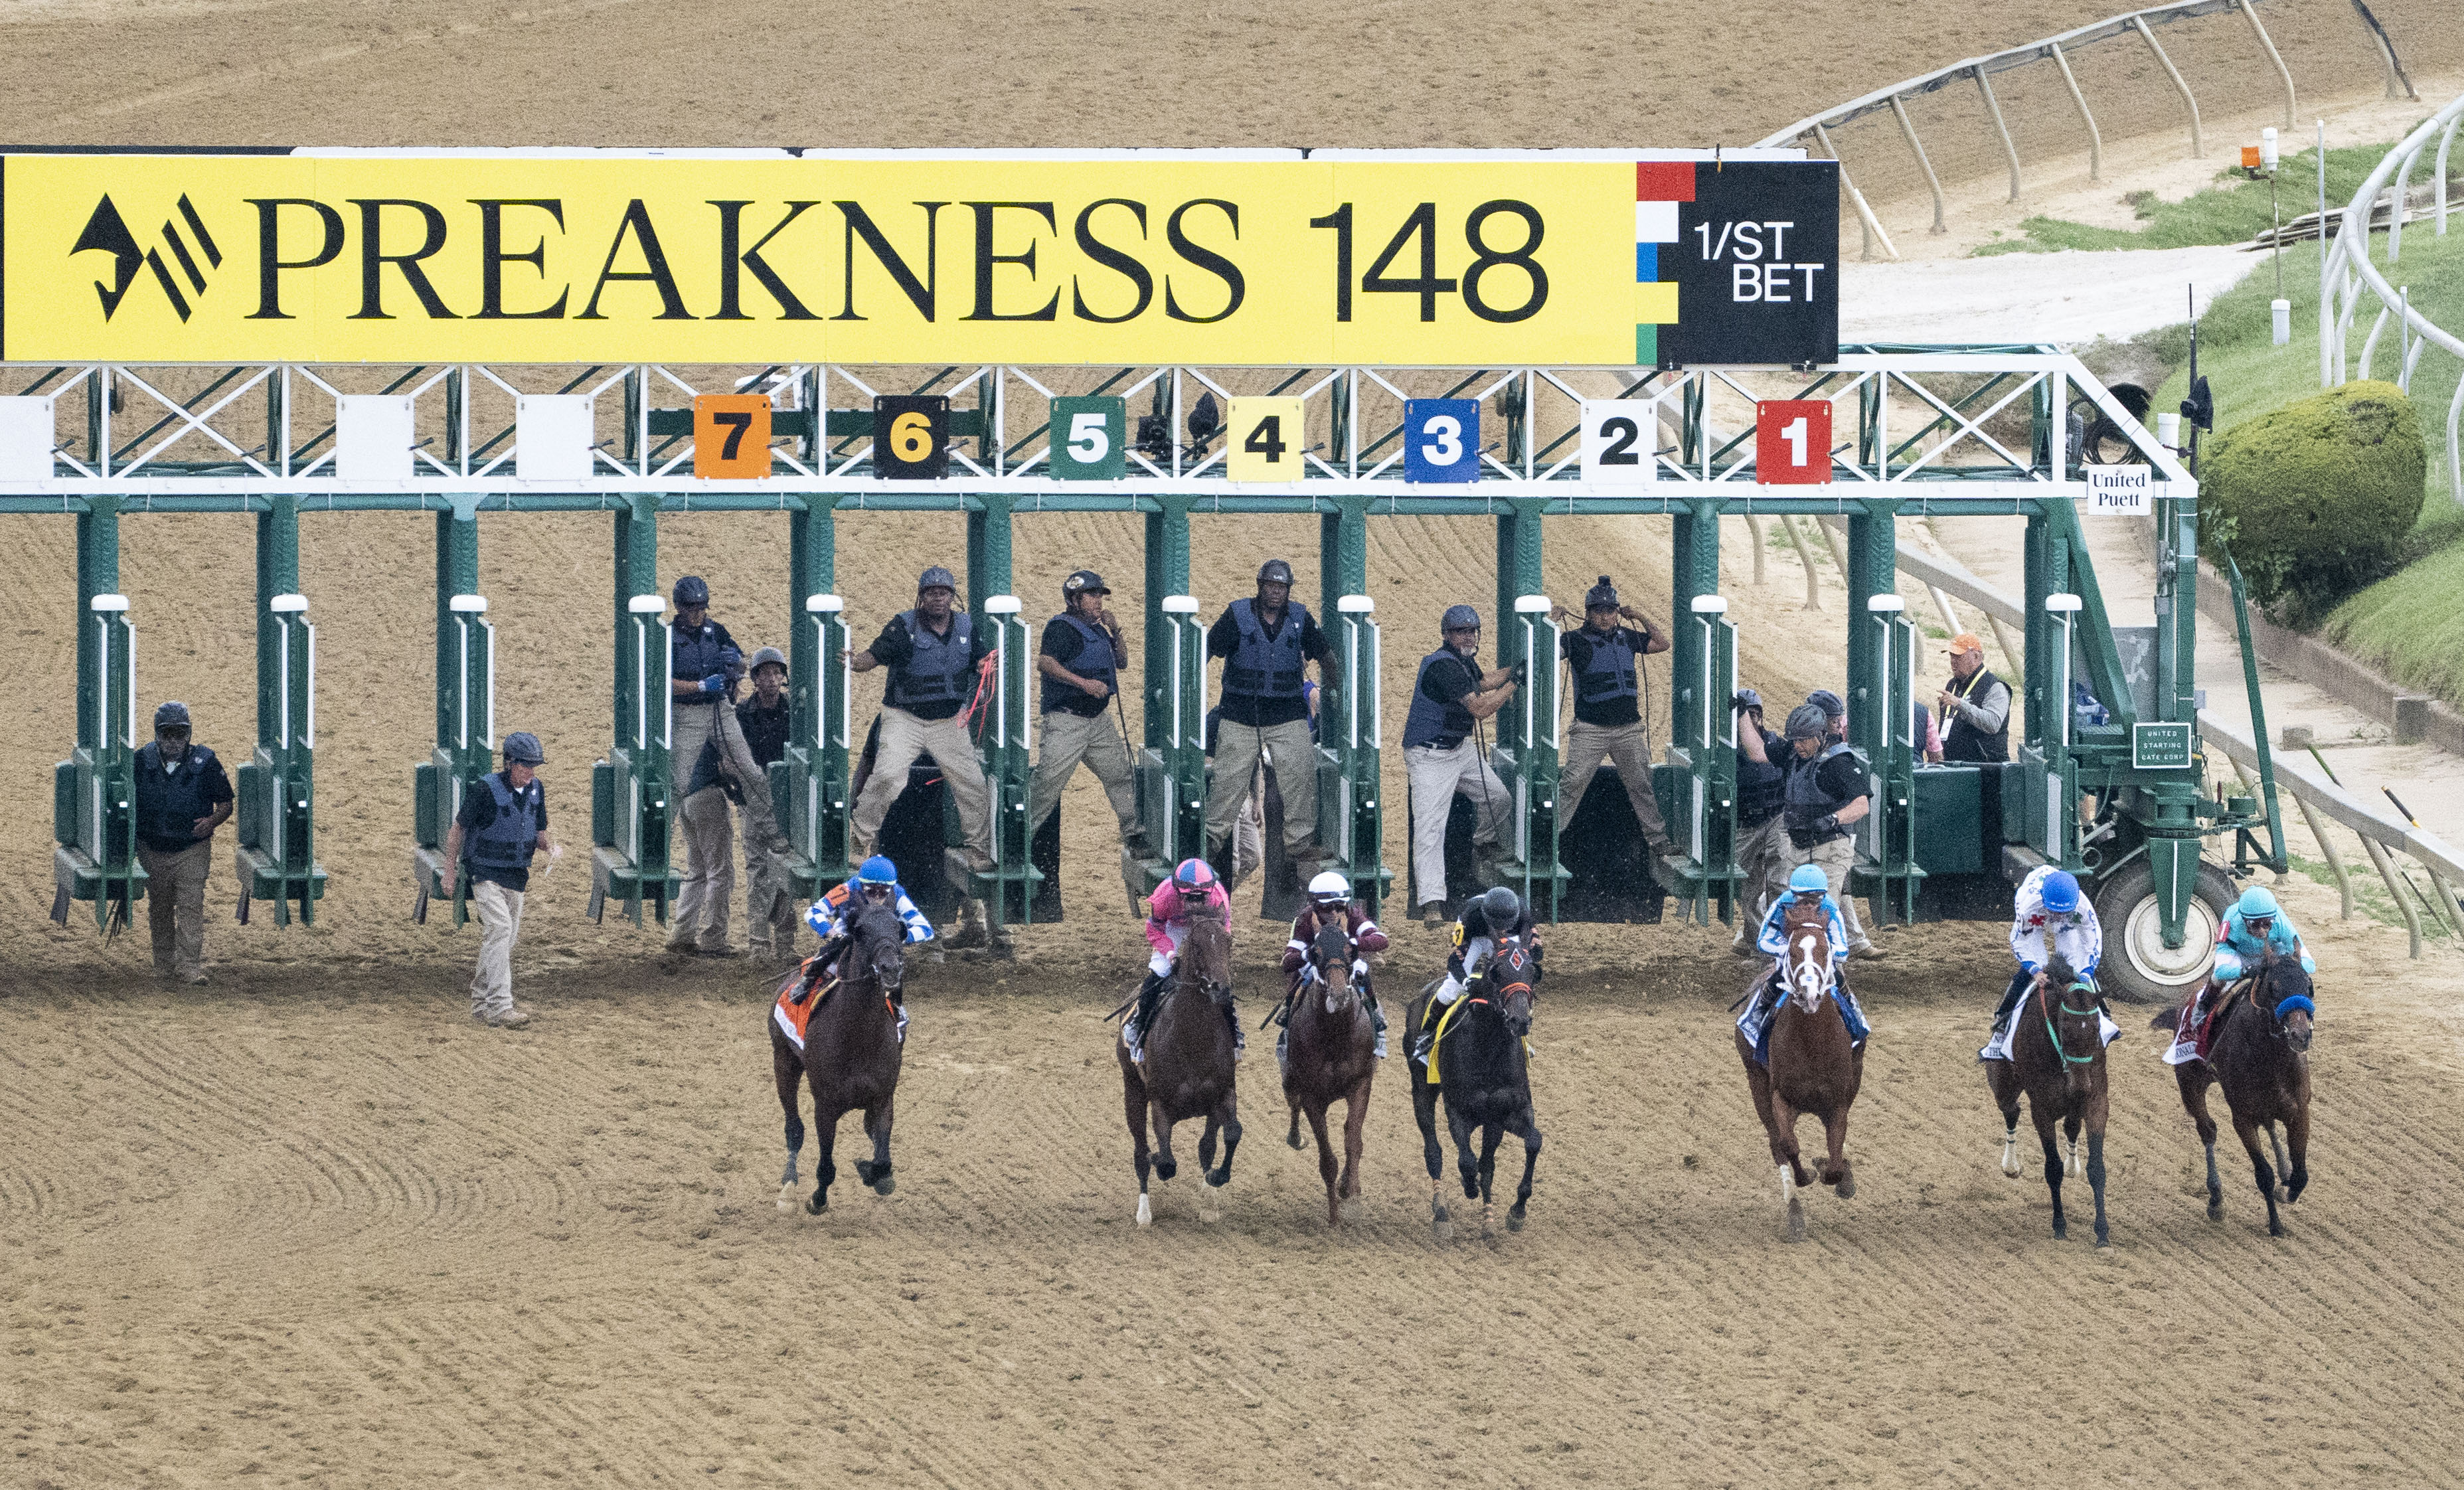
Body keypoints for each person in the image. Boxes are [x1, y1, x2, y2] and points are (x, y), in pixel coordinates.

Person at [849, 566, 998, 945]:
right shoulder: (903, 627)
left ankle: (980, 851)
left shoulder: (967, 627)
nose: (938, 598)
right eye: (931, 592)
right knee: (888, 776)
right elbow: (873, 656)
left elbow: (984, 660)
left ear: (952, 596)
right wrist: (854, 660)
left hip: (949, 721)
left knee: (972, 785)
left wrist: (984, 666)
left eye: (944, 592)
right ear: (921, 596)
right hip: (904, 717)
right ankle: (857, 840)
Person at [1203, 559, 1334, 882]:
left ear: (1288, 590)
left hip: (1287, 713)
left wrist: (1337, 692)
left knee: (1300, 775)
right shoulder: (1236, 615)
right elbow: (1205, 651)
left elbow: (1327, 655)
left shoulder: (1301, 618)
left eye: (1281, 587)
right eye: (1270, 585)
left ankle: (1301, 846)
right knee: (1227, 783)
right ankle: (1209, 842)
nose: (1275, 592)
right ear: (1260, 586)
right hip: (1239, 712)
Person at [1402, 604, 1518, 927]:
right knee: (1429, 830)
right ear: (1446, 635)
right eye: (1460, 631)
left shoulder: (1461, 660)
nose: (1467, 636)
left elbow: (1484, 681)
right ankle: (1432, 902)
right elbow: (1481, 708)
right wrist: (1514, 685)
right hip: (1429, 756)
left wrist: (1513, 670)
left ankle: (1482, 845)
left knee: (1498, 796)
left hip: (1458, 748)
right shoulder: (1444, 667)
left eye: (1471, 631)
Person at [1552, 576, 1677, 863]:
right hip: (1589, 730)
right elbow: (1542, 653)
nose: (1605, 617)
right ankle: (1546, 840)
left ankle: (1658, 842)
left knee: (1641, 785)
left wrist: (1641, 616)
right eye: (1599, 611)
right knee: (1571, 785)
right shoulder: (1574, 640)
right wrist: (1550, 623)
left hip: (1628, 729)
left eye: (1611, 611)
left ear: (1617, 612)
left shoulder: (1628, 637)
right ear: (1588, 613)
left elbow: (1662, 643)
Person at [440, 730, 560, 1029]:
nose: (530, 773)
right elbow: (457, 830)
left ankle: (481, 1001)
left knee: (504, 940)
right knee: (500, 929)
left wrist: (552, 848)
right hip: (485, 873)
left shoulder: (537, 790)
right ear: (509, 763)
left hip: (517, 876)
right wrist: (450, 870)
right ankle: (500, 1007)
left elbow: (541, 834)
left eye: (534, 767)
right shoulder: (484, 789)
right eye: (524, 766)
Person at [1028, 570, 1144, 853]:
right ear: (1075, 599)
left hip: (1098, 721)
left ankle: (1134, 832)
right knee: (1048, 783)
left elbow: (1123, 662)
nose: (1098, 602)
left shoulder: (1099, 630)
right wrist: (1084, 684)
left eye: (1099, 596)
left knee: (1121, 774)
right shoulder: (1061, 628)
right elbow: (1045, 663)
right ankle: (1019, 837)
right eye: (1092, 596)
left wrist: (1115, 630)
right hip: (1066, 720)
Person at [666, 575, 746, 957]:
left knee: (697, 867)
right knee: (719, 870)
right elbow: (661, 682)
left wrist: (735, 667)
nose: (697, 614)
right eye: (691, 608)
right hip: (701, 774)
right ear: (679, 608)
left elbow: (738, 659)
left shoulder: (717, 631)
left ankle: (681, 935)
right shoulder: (668, 638)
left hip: (713, 721)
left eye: (701, 607)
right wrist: (700, 686)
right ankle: (713, 939)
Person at [131, 701, 234, 985]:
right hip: (151, 848)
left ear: (189, 734)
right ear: (157, 735)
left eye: (181, 734)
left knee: (191, 907)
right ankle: (163, 966)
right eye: (168, 734)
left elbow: (226, 803)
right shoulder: (141, 762)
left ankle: (189, 967)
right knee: (160, 908)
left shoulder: (207, 762)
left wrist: (212, 822)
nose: (174, 741)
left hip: (192, 848)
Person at [2165, 884, 2315, 1066]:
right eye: (2254, 925)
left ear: (2273, 919)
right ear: (2244, 920)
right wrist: (2245, 971)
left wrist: (2287, 968)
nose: (2262, 931)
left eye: (2267, 924)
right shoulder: (2231, 921)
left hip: (2275, 955)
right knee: (2218, 979)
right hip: (2239, 955)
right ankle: (2203, 1006)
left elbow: (2309, 963)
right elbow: (2221, 971)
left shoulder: (2282, 923)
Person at [1981, 867, 2118, 1061]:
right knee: (2038, 967)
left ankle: (2104, 1018)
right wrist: (2036, 971)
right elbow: (2020, 941)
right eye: (2055, 912)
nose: (2059, 916)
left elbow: (2092, 942)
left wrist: (2086, 973)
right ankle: (2002, 1021)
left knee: (2076, 968)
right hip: (2035, 920)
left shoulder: (2083, 907)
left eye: (2064, 912)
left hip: (2069, 922)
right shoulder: (2028, 905)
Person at [1781, 703, 1883, 959]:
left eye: (1803, 740)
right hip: (1798, 849)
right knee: (1795, 911)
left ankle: (1831, 972)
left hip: (1831, 849)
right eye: (1794, 741)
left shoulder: (1839, 764)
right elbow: (1758, 752)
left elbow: (1862, 805)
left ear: (1820, 736)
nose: (1797, 746)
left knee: (1822, 916)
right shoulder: (1794, 755)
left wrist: (1833, 818)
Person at [797, 855, 935, 1041]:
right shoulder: (846, 889)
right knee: (825, 957)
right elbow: (813, 912)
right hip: (848, 940)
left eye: (883, 892)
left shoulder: (898, 894)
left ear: (891, 887)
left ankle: (897, 1004)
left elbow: (926, 929)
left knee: (895, 969)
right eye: (871, 891)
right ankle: (806, 982)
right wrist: (831, 933)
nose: (877, 897)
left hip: (881, 948)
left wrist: (898, 939)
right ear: (861, 885)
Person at [1738, 863, 1871, 1056]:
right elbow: (1763, 941)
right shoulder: (1782, 904)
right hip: (1791, 959)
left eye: (1815, 899)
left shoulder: (1830, 907)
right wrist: (1791, 950)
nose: (1809, 904)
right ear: (1793, 894)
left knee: (1841, 983)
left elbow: (1843, 949)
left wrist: (1820, 951)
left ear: (1823, 896)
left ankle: (1858, 1022)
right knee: (1772, 982)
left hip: (1821, 962)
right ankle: (1756, 1019)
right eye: (1803, 899)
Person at [1124, 858, 1238, 1063]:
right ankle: (1138, 1029)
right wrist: (1171, 954)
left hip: (1207, 926)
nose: (1194, 904)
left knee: (1220, 979)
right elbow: (1154, 930)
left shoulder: (1219, 896)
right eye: (1189, 898)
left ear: (1209, 893)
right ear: (1177, 892)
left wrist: (1215, 958)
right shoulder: (1163, 895)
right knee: (1159, 973)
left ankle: (1234, 1034)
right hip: (1174, 930)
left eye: (1200, 898)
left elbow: (1224, 932)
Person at [1273, 870, 1392, 1060]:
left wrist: (1353, 943)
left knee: (1361, 970)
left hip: (1345, 961)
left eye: (1339, 906)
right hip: (1318, 962)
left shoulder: (1353, 914)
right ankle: (1289, 1017)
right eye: (1327, 908)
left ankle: (1375, 1017)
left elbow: (1382, 939)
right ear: (1314, 906)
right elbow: (1287, 961)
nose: (1334, 913)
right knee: (1301, 973)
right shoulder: (1304, 920)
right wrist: (1306, 954)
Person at [1414, 884, 1541, 1060]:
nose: (1502, 930)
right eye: (1498, 926)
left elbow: (1536, 954)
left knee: (1517, 986)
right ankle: (1427, 1032)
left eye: (1507, 925)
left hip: (1508, 942)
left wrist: (1526, 958)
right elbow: (1454, 961)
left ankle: (1520, 1034)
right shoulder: (1469, 918)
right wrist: (1466, 981)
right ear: (1487, 918)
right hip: (1476, 939)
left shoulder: (1523, 914)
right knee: (1452, 987)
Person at [735, 645, 801, 961]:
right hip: (753, 800)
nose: (772, 679)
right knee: (759, 870)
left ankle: (785, 940)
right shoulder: (742, 715)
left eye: (777, 673)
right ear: (755, 679)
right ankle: (759, 942)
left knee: (785, 870)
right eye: (766, 674)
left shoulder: (795, 713)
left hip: (785, 801)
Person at [1731, 689, 1790, 954]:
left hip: (1776, 817)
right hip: (1745, 824)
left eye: (1756, 715)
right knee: (1746, 886)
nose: (1752, 720)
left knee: (1779, 881)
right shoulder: (1728, 750)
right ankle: (1756, 942)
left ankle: (1780, 942)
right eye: (1747, 715)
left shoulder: (1774, 743)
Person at [1939, 633, 2012, 764]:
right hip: (1954, 766)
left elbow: (1993, 723)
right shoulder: (1952, 684)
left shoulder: (1995, 687)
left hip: (1986, 770)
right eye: (1951, 655)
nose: (1953, 661)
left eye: (1958, 656)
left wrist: (1960, 704)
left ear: (1976, 656)